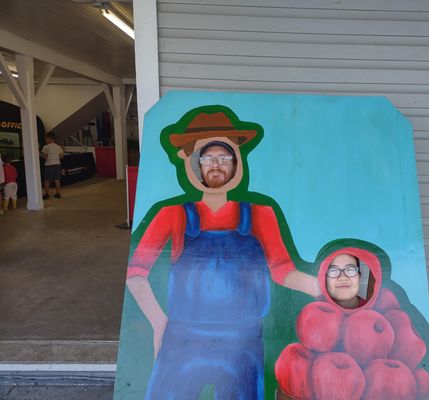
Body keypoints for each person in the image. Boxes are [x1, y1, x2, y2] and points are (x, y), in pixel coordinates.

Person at [126, 108, 320, 399]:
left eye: (224, 157)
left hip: (243, 343)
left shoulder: (260, 216)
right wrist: (159, 322)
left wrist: (329, 290)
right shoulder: (172, 215)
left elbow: (283, 271)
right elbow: (136, 274)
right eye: (207, 158)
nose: (216, 165)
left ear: (237, 162)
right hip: (182, 339)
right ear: (192, 163)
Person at [41, 132, 64, 199]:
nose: (45, 140)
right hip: (57, 164)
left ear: (48, 138)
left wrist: (42, 155)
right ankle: (58, 193)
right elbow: (61, 156)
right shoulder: (58, 146)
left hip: (49, 165)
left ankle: (46, 194)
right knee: (57, 180)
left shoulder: (45, 147)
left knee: (47, 180)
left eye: (46, 138)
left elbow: (45, 157)